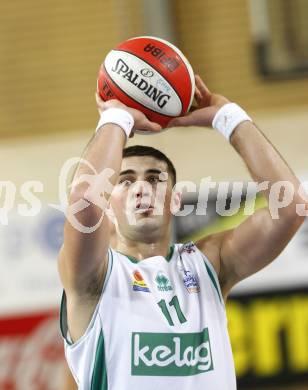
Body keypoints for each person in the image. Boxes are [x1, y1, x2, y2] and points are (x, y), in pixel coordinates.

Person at [58, 75, 305, 389]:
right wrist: (115, 118)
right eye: (126, 180)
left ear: (175, 199)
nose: (141, 188)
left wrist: (227, 116)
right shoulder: (93, 275)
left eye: (154, 179)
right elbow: (84, 204)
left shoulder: (207, 264)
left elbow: (291, 208)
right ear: (108, 204)